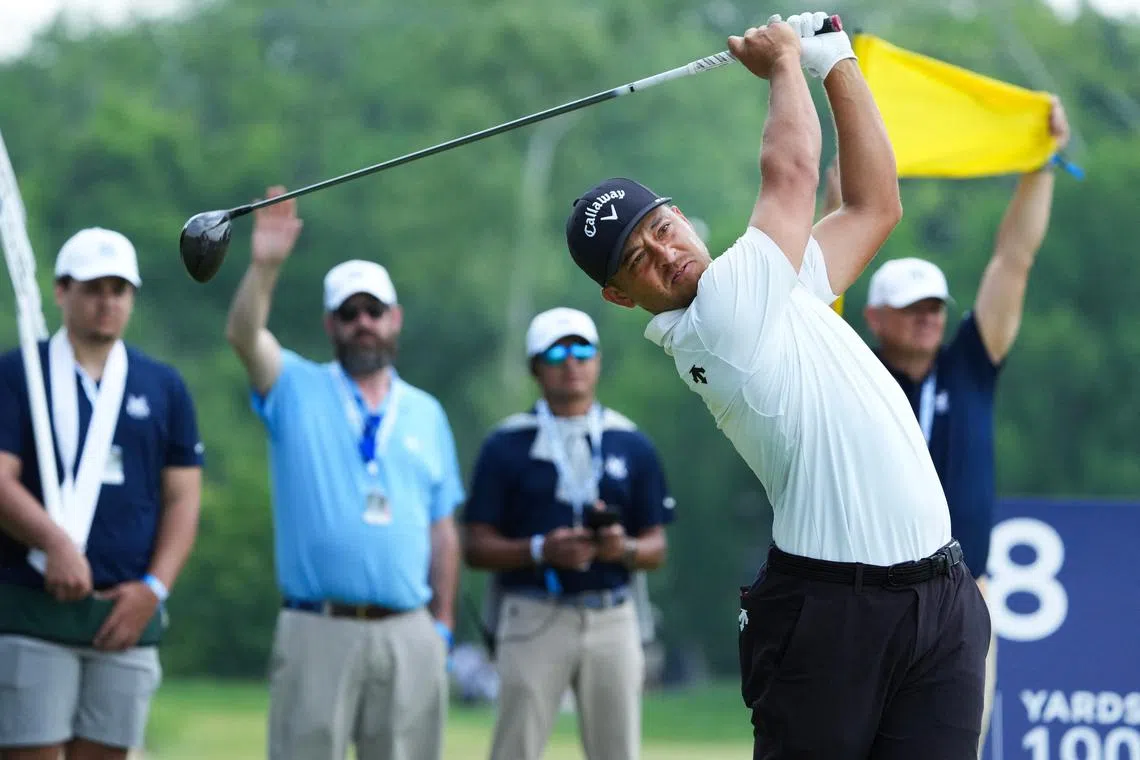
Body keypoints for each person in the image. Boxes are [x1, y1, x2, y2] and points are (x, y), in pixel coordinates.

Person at [563, 13, 990, 759]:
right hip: (833, 612)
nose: (665, 253)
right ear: (621, 297)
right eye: (637, 260)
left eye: (662, 227)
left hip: (940, 599)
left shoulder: (770, 287)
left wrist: (836, 61)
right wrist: (786, 62)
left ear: (679, 216)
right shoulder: (718, 321)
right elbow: (791, 174)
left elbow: (873, 206)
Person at [851, 95, 1071, 757]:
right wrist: (840, 186)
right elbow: (820, 279)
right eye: (910, 307)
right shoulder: (853, 374)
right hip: (869, 589)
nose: (927, 317)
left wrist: (1041, 165)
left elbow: (1013, 259)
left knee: (953, 744)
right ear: (875, 317)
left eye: (934, 306)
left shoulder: (970, 366)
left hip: (964, 590)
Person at [224, 187, 464, 760]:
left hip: (409, 631)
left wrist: (442, 625)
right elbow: (244, 336)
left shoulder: (426, 412)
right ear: (330, 325)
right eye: (349, 314)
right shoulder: (294, 386)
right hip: (318, 629)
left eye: (373, 311)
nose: (363, 324)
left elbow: (442, 528)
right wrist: (265, 267)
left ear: (394, 319)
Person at [0, 228, 204, 760]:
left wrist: (154, 589)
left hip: (126, 617)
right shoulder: (18, 373)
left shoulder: (163, 385)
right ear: (61, 291)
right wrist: (55, 543)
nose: (107, 302)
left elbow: (183, 499)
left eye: (119, 290)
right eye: (92, 289)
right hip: (33, 611)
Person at [463, 307, 675, 760]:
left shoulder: (630, 442)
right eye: (557, 353)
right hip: (533, 611)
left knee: (618, 751)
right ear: (535, 367)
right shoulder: (506, 444)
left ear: (597, 359)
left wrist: (622, 547)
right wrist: (541, 549)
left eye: (582, 350)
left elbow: (657, 546)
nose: (572, 363)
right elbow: (475, 545)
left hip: (612, 613)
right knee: (516, 748)